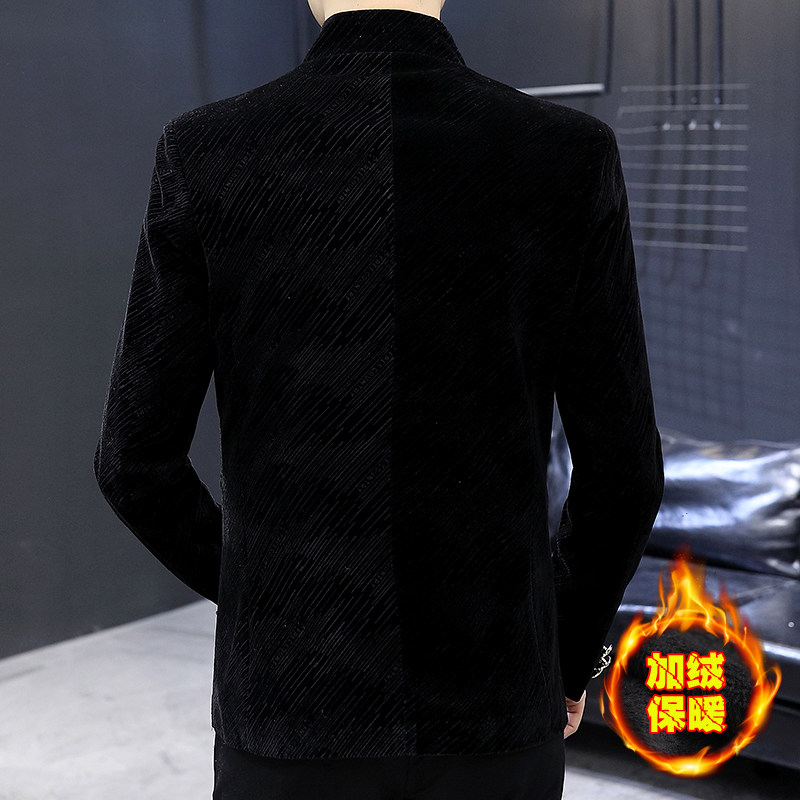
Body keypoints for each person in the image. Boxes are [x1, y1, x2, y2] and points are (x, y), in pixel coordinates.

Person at [92, 1, 665, 798]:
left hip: (291, 715)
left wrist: (271, 599)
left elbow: (133, 462)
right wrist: (565, 655)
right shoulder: (568, 153)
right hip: (495, 703)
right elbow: (625, 471)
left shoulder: (205, 150)